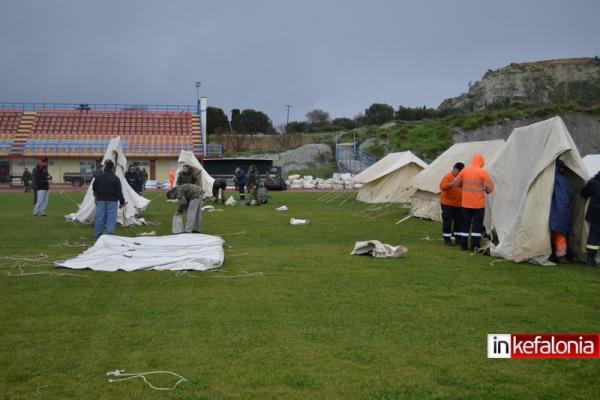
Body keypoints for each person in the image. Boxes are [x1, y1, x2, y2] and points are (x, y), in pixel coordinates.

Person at [452, 154, 494, 251]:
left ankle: (463, 245)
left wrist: (462, 186)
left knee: (465, 224)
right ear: (481, 162)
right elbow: (490, 188)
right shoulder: (483, 172)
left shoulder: (464, 170)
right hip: (478, 204)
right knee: (477, 225)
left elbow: (455, 183)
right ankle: (475, 245)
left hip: (466, 203)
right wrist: (487, 190)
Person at [92, 160, 126, 238]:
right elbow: (119, 192)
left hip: (100, 200)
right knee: (111, 218)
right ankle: (109, 235)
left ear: (105, 168)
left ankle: (97, 234)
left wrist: (96, 195)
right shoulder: (115, 178)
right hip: (112, 201)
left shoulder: (99, 177)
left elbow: (94, 187)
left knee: (100, 217)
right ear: (112, 168)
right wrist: (122, 202)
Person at [549, 160, 574, 263]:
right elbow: (568, 196)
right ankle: (560, 256)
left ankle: (559, 256)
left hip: (556, 211)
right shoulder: (563, 180)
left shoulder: (551, 179)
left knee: (557, 234)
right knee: (560, 235)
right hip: (561, 211)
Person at [439, 162, 464, 245]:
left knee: (459, 222)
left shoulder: (462, 178)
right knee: (448, 221)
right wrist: (450, 184)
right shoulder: (448, 176)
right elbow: (442, 186)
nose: (459, 173)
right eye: (458, 171)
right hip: (447, 204)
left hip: (459, 204)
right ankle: (447, 239)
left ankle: (458, 238)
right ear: (454, 169)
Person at [580, 169, 600, 267]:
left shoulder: (594, 182)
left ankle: (590, 259)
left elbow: (583, 193)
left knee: (594, 237)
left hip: (595, 215)